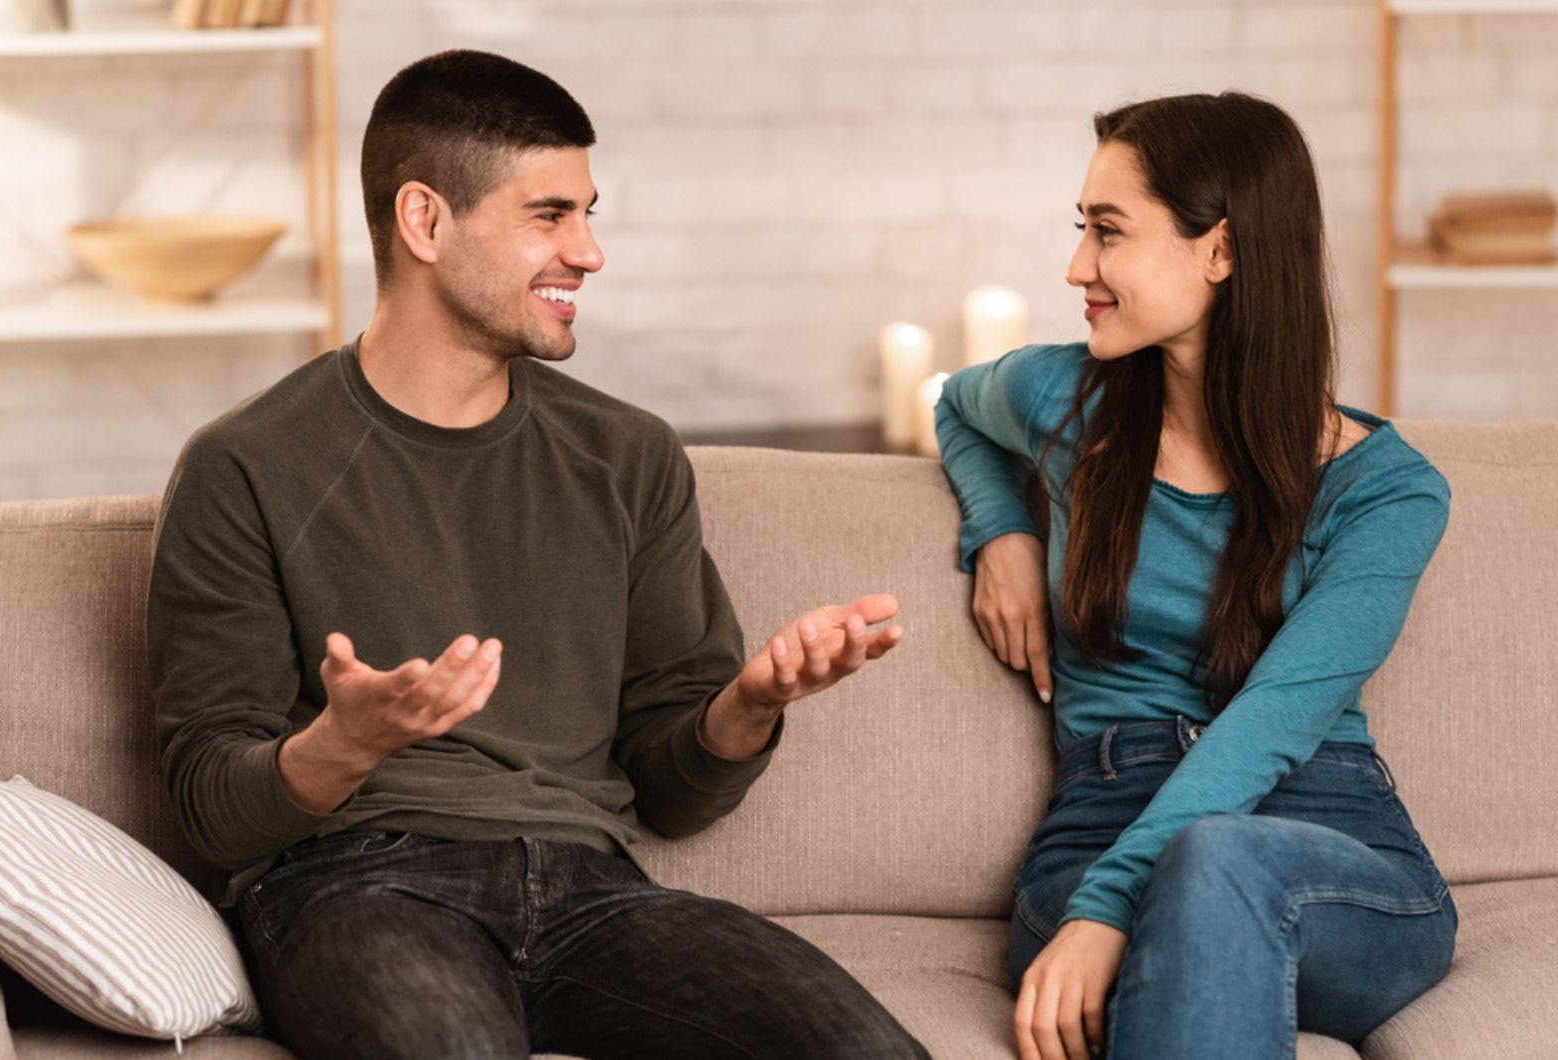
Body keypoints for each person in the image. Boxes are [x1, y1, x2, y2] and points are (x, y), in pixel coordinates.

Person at [147, 49, 929, 1060]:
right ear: (424, 221)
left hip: (591, 889)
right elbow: (211, 806)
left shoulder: (626, 454)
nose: (590, 252)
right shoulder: (246, 464)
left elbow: (670, 792)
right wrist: (346, 741)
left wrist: (748, 704)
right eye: (549, 216)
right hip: (352, 882)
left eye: (588, 214)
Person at [934, 92, 1456, 1060]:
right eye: (1080, 230)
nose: (1075, 267)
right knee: (1203, 873)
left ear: (1218, 251)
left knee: (1215, 859)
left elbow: (1271, 724)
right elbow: (956, 411)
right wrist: (1000, 529)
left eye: (1107, 232)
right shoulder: (1062, 399)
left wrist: (1109, 907)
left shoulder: (1387, 493)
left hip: (1328, 851)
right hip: (1101, 817)